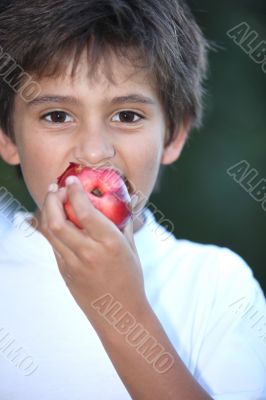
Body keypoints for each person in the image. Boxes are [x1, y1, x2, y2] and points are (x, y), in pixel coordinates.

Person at [0, 1, 265, 399]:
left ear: (173, 137)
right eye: (56, 116)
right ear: (7, 138)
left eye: (126, 116)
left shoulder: (218, 285)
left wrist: (119, 307)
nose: (93, 152)